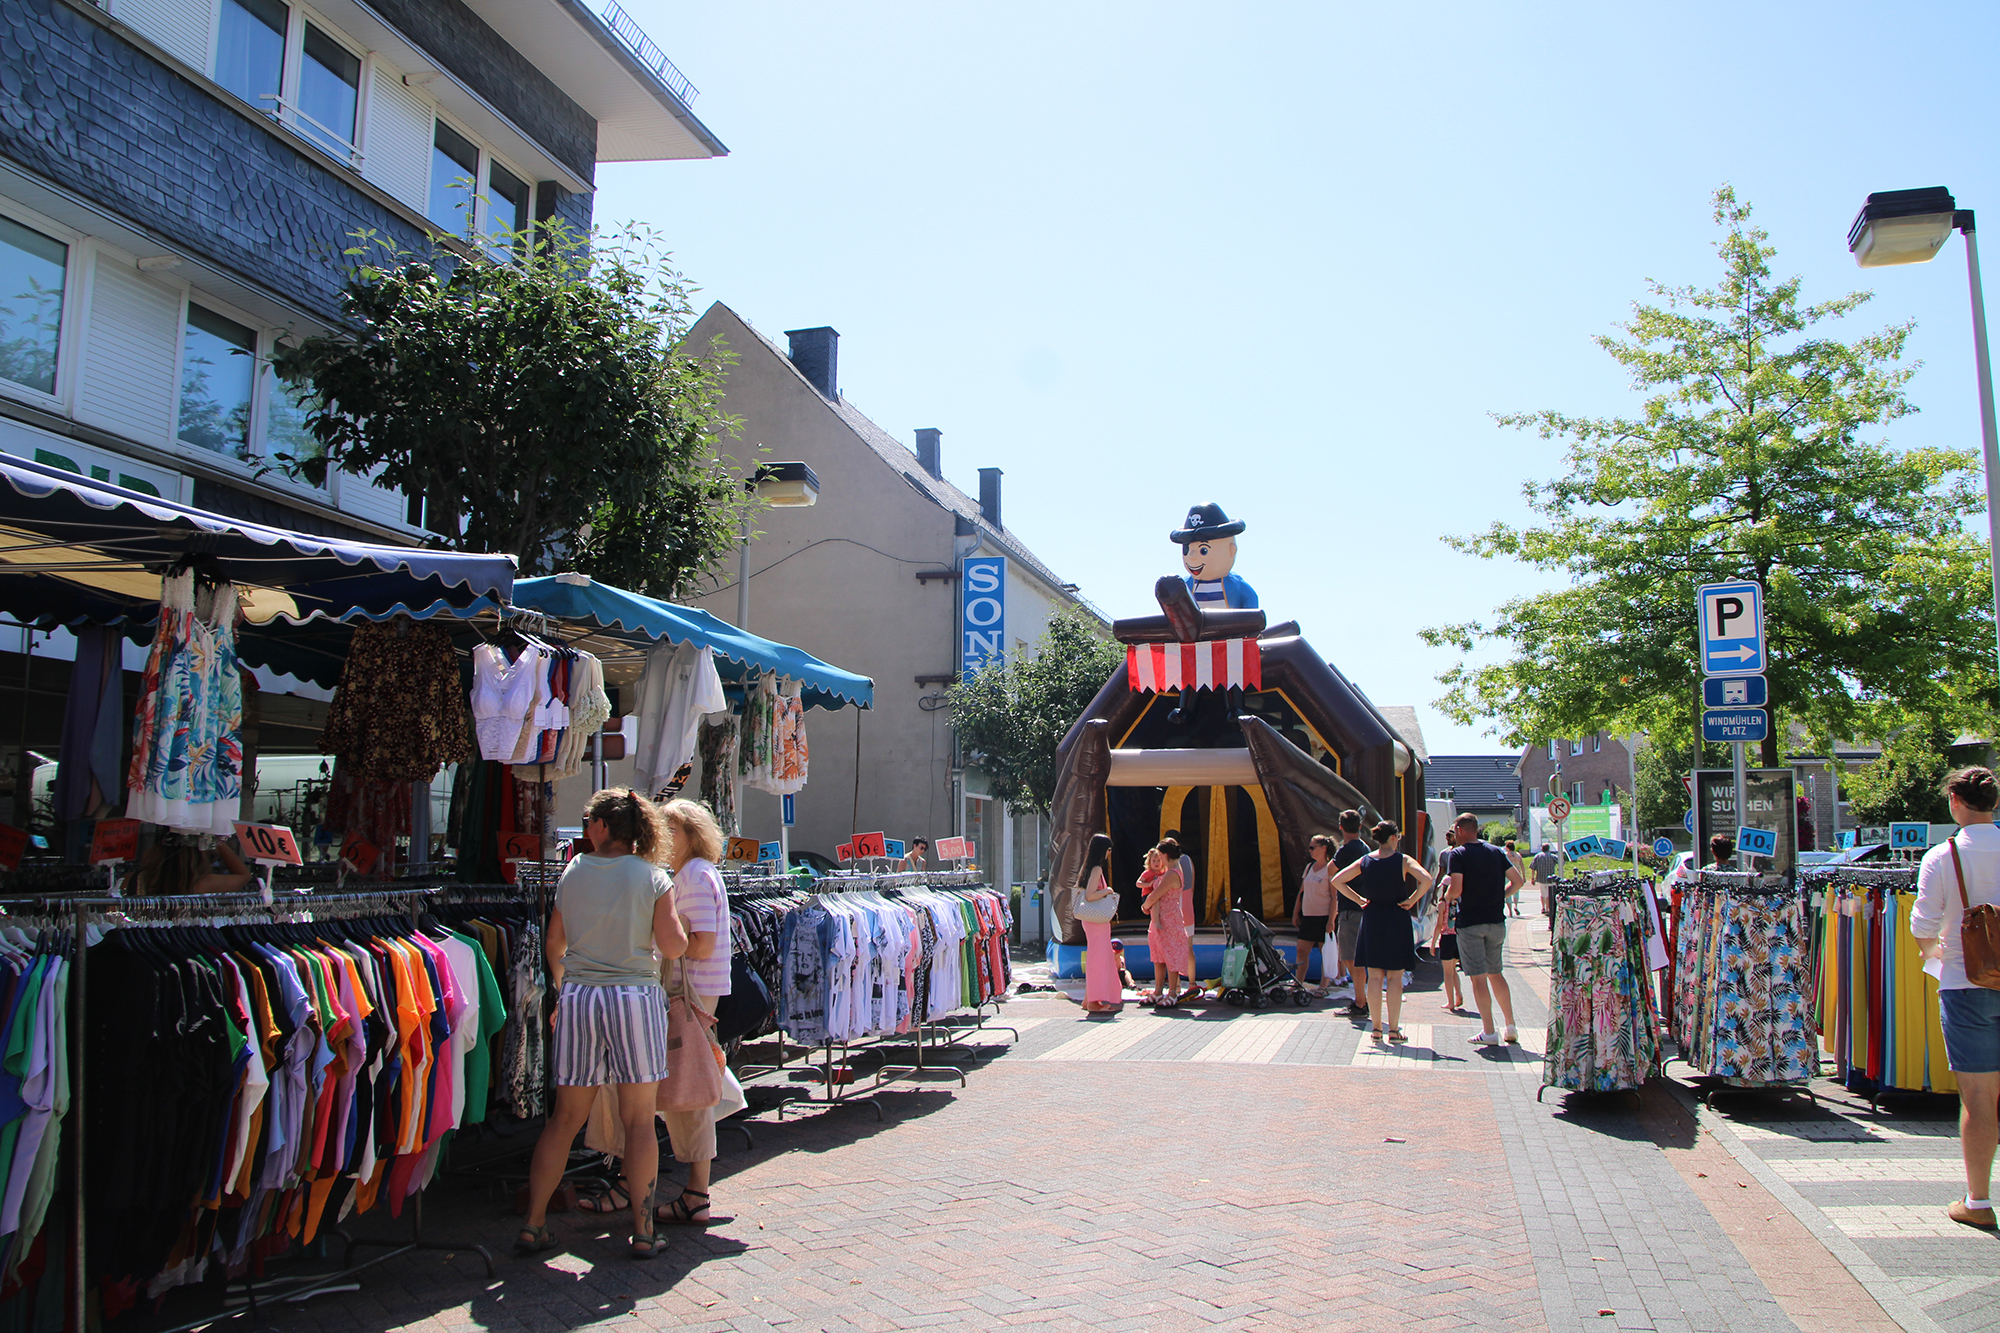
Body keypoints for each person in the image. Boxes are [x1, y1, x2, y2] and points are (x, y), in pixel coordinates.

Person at [518, 789, 687, 1260]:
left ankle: (533, 1224)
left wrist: (562, 987)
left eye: (589, 817)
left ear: (604, 827)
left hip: (581, 997)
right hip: (634, 996)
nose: (585, 824)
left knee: (565, 1119)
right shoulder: (653, 877)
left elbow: (555, 942)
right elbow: (673, 946)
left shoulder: (573, 871)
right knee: (638, 1119)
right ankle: (644, 1229)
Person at [1910, 766, 2000, 1230]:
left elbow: (1923, 925)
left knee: (1980, 1095)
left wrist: (1935, 954)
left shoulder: (1942, 856)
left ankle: (1979, 1201)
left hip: (1968, 984)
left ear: (1956, 802)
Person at [654, 798, 732, 1228]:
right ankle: (692, 1190)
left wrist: (660, 928)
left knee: (692, 1086)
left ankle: (697, 1192)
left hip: (693, 992)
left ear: (692, 835)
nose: (666, 839)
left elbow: (699, 944)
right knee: (691, 1081)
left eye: (673, 830)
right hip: (694, 991)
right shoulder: (692, 875)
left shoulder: (696, 876)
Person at [1331, 819, 1433, 1043]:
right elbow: (1427, 879)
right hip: (1397, 917)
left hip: (1372, 917)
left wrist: (1359, 900)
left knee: (1374, 977)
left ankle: (1376, 1029)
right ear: (1394, 837)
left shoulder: (1366, 860)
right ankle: (1394, 1030)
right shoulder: (1403, 860)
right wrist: (1412, 899)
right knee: (1395, 978)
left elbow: (1337, 880)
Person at [1442, 812, 1525, 1046]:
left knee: (1478, 979)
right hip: (1496, 921)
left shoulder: (1457, 854)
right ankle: (1510, 1025)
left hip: (1471, 923)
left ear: (1459, 829)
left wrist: (1447, 897)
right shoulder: (1496, 852)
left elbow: (1456, 889)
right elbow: (1518, 881)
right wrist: (1501, 897)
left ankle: (1489, 1031)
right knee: (1496, 973)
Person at [1141, 844, 1191, 1007]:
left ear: (1166, 855)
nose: (1158, 859)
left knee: (1170, 955)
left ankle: (1172, 993)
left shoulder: (1172, 873)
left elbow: (1155, 895)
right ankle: (1157, 991)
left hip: (1169, 919)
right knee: (1159, 956)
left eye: (1160, 855)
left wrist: (1146, 906)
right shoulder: (1169, 872)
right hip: (1160, 917)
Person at [1077, 834, 1122, 1015]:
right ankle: (1094, 1002)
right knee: (1099, 959)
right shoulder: (1096, 869)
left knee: (1097, 958)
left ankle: (1089, 998)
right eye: (1109, 849)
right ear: (1103, 850)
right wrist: (1107, 891)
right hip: (1097, 922)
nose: (1110, 853)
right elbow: (1089, 895)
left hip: (1092, 921)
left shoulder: (1088, 868)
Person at [132, 832, 255, 895]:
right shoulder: (201, 884)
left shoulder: (137, 879)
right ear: (199, 854)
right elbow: (244, 875)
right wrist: (214, 838)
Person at [1331, 810, 1369, 1012]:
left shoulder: (1346, 849)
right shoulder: (1365, 847)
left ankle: (1361, 1001)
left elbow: (1330, 870)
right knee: (1356, 957)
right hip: (1363, 908)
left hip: (1349, 908)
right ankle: (1361, 999)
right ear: (1360, 827)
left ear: (1340, 827)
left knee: (1349, 957)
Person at [1292, 834, 1337, 994]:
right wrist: (1296, 912)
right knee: (1301, 951)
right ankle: (1298, 982)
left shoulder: (1330, 869)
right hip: (1308, 917)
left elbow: (1334, 897)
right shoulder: (1309, 867)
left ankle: (1324, 985)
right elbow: (1302, 892)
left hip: (1323, 916)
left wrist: (1331, 920)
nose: (1310, 850)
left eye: (1312, 847)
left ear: (1323, 848)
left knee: (1326, 951)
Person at [1531, 842, 1560, 918]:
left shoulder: (1538, 856)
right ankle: (1548, 908)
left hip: (1541, 878)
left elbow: (1533, 867)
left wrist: (1532, 878)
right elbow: (1561, 862)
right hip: (1551, 879)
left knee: (1543, 894)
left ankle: (1543, 907)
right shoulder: (1552, 856)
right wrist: (1558, 869)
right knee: (1549, 895)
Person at [1503, 839, 1527, 916]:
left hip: (1507, 875)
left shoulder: (1506, 855)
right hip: (1517, 874)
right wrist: (1524, 876)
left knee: (1508, 892)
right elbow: (1522, 866)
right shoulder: (1518, 855)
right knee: (1516, 891)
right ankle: (1516, 906)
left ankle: (1510, 911)